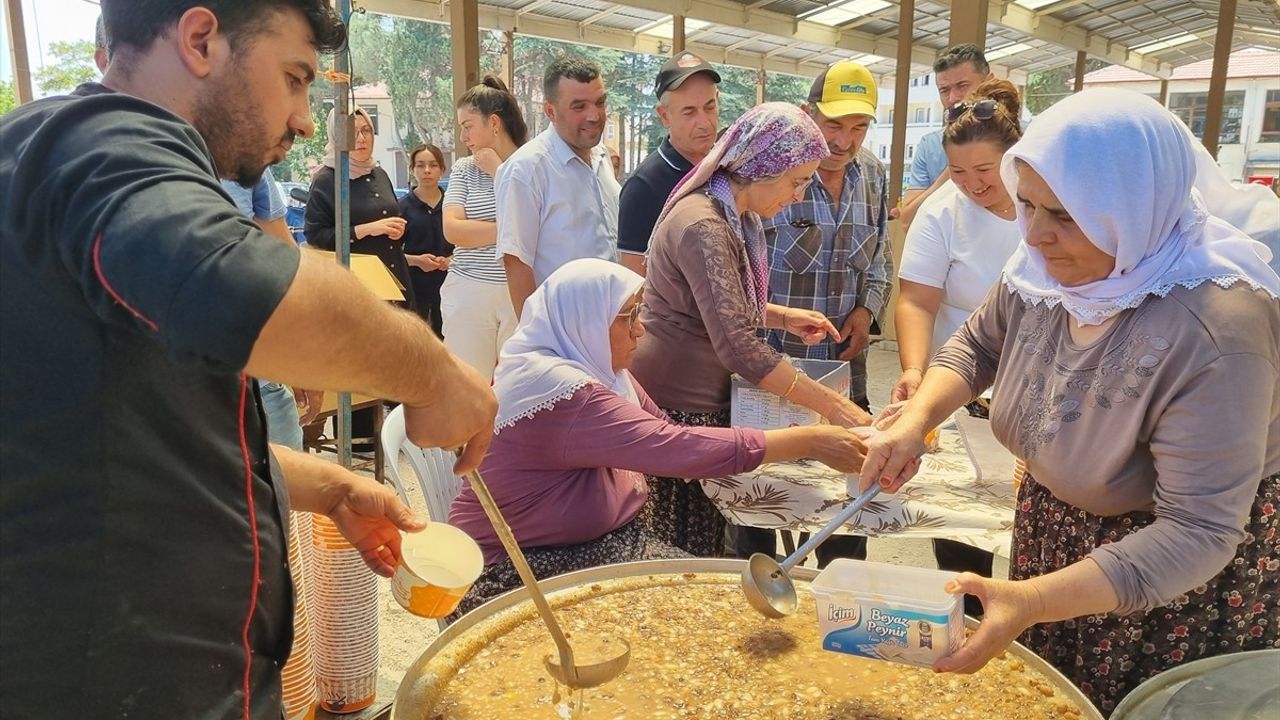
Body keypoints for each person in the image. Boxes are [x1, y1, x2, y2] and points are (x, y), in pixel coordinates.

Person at [0, 2, 497, 717]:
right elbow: (241, 287)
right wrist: (436, 373)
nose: (302, 120)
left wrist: (327, 485)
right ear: (201, 40)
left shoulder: (75, 160)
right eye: (294, 78)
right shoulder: (100, 146)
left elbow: (139, 428)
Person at [859, 88, 1279, 714]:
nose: (1036, 235)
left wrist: (1031, 601)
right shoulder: (1045, 270)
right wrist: (915, 419)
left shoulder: (1215, 330)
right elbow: (977, 345)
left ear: (1135, 208)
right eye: (1025, 206)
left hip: (1160, 579)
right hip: (1056, 534)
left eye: (1065, 215)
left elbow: (1197, 530)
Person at [448, 258, 871, 614]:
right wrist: (810, 441)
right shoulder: (560, 389)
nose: (640, 329)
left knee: (721, 595)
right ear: (584, 321)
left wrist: (795, 438)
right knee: (716, 610)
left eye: (639, 312)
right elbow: (678, 449)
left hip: (593, 546)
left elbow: (668, 432)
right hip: (521, 569)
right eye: (628, 316)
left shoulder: (599, 373)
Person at [630, 103, 873, 558]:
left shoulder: (730, 212)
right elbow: (739, 347)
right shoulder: (704, 224)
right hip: (679, 406)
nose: (800, 196)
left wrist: (780, 316)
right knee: (683, 548)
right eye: (798, 181)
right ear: (763, 167)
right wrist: (837, 408)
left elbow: (719, 305)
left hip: (698, 397)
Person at [745, 60, 892, 562]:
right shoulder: (772, 177)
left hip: (843, 370)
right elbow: (745, 276)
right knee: (760, 510)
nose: (845, 141)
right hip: (772, 372)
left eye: (859, 127)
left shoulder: (872, 174)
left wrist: (866, 312)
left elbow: (881, 256)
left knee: (844, 518)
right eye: (834, 125)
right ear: (809, 115)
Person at [891, 80, 1027, 617]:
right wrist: (912, 368)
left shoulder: (1050, 201)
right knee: (967, 520)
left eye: (985, 172)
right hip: (967, 381)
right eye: (959, 172)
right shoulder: (943, 210)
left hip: (1045, 381)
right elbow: (918, 301)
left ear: (1013, 157)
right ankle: (969, 614)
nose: (972, 185)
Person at [495, 56, 621, 317]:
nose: (594, 115)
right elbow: (516, 262)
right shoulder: (526, 170)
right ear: (550, 111)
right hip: (563, 330)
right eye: (579, 106)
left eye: (600, 102)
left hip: (614, 320)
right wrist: (535, 340)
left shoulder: (601, 156)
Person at [442, 76, 528, 379]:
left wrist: (499, 172)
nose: (463, 136)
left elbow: (541, 225)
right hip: (468, 288)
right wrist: (510, 229)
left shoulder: (530, 165)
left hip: (520, 289)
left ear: (494, 122)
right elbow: (453, 230)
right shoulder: (464, 168)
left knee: (516, 386)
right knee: (467, 384)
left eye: (468, 126)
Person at [617, 51, 721, 276]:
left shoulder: (727, 170)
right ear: (664, 116)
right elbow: (634, 283)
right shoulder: (644, 187)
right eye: (689, 112)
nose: (704, 122)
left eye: (710, 107)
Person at [305, 106, 416, 309]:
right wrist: (365, 230)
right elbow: (315, 237)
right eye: (352, 133)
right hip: (356, 289)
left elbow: (393, 218)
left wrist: (400, 229)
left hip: (395, 280)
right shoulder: (327, 180)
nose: (361, 139)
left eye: (366, 130)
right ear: (337, 136)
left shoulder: (379, 174)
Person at [897, 44, 994, 229]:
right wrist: (953, 172)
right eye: (944, 90)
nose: (952, 98)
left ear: (989, 82)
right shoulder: (930, 144)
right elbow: (907, 219)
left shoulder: (1021, 138)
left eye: (962, 86)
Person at [400, 143, 451, 337]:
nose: (427, 170)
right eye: (420, 165)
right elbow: (392, 252)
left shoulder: (453, 205)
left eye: (433, 165)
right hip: (414, 288)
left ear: (442, 169)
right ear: (413, 169)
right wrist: (417, 261)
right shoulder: (402, 207)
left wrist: (451, 260)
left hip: (450, 286)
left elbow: (468, 245)